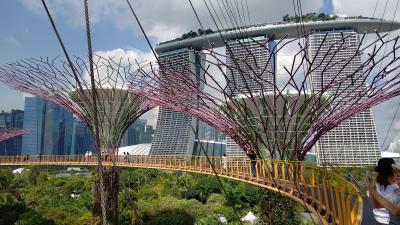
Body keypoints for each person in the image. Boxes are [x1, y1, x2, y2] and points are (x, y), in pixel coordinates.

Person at [366, 158, 400, 225]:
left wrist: (372, 191)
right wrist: (371, 190)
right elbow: (377, 206)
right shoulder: (396, 190)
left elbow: (396, 211)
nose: (397, 174)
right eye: (395, 171)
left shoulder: (395, 188)